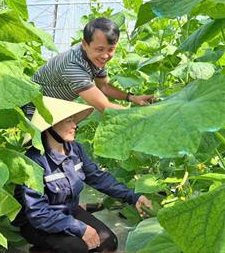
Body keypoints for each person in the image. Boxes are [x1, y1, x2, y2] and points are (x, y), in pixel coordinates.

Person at [14, 97, 152, 253]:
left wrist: (134, 197)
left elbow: (98, 177)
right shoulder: (34, 160)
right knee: (77, 249)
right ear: (50, 126)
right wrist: (79, 228)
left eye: (73, 120)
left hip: (69, 210)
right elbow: (38, 213)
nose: (75, 125)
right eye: (68, 121)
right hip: (38, 223)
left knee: (108, 242)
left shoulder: (75, 149)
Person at [24, 17, 154, 116]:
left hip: (56, 107)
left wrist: (132, 98)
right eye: (100, 49)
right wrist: (147, 114)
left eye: (111, 49)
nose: (105, 56)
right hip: (35, 110)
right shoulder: (73, 66)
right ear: (85, 44)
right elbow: (105, 107)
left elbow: (103, 86)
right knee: (40, 148)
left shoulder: (94, 58)